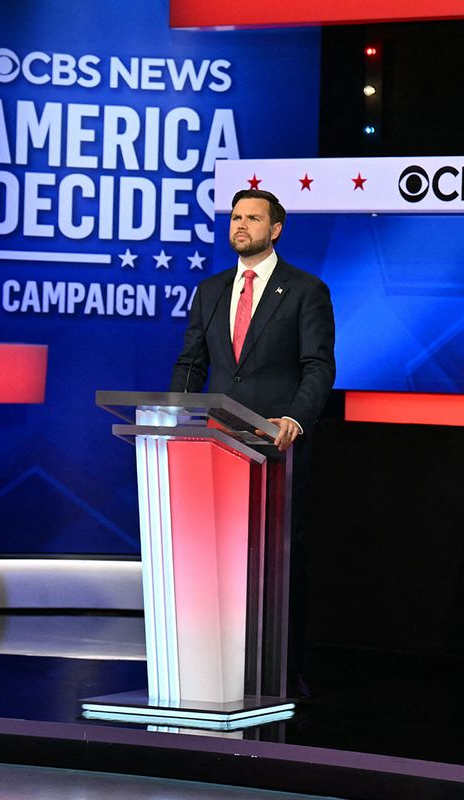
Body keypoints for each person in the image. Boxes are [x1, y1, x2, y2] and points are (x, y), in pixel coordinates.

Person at [170, 188, 335, 696]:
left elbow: (318, 366)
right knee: (217, 555)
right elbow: (193, 361)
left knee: (277, 557)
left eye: (252, 218)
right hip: (214, 443)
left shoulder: (305, 289)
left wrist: (296, 419)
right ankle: (214, 664)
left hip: (272, 446)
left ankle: (282, 672)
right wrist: (175, 410)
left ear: (276, 229)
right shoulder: (211, 289)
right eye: (236, 217)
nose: (240, 225)